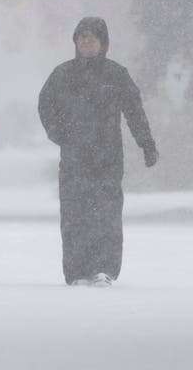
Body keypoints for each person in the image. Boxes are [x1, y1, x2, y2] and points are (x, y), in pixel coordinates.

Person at [37, 16, 158, 287]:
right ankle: (77, 271)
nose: (86, 42)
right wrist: (59, 135)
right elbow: (45, 106)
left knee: (107, 216)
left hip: (108, 159)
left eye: (92, 38)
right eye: (82, 38)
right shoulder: (62, 75)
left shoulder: (116, 75)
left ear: (103, 43)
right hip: (74, 159)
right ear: (75, 43)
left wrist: (146, 144)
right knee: (74, 216)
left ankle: (105, 268)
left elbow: (134, 112)